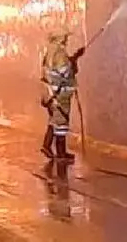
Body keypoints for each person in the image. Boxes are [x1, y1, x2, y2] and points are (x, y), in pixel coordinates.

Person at [40, 31, 86, 161]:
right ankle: (60, 153)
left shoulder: (50, 51)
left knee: (55, 120)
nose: (67, 40)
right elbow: (65, 72)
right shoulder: (59, 53)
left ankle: (47, 146)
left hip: (51, 94)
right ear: (60, 38)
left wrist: (72, 58)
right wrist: (75, 58)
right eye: (65, 37)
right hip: (59, 95)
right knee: (61, 122)